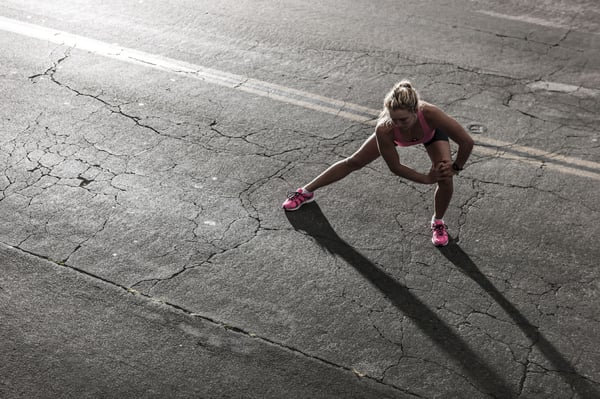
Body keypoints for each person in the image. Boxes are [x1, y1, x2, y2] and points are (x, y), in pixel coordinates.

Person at [282, 80, 474, 246]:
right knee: (354, 161)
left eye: (403, 119)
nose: (397, 123)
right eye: (393, 118)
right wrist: (426, 179)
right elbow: (395, 167)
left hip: (430, 135)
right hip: (395, 140)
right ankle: (305, 192)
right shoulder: (385, 128)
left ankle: (438, 222)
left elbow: (467, 142)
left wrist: (455, 168)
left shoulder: (431, 114)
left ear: (415, 110)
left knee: (446, 178)